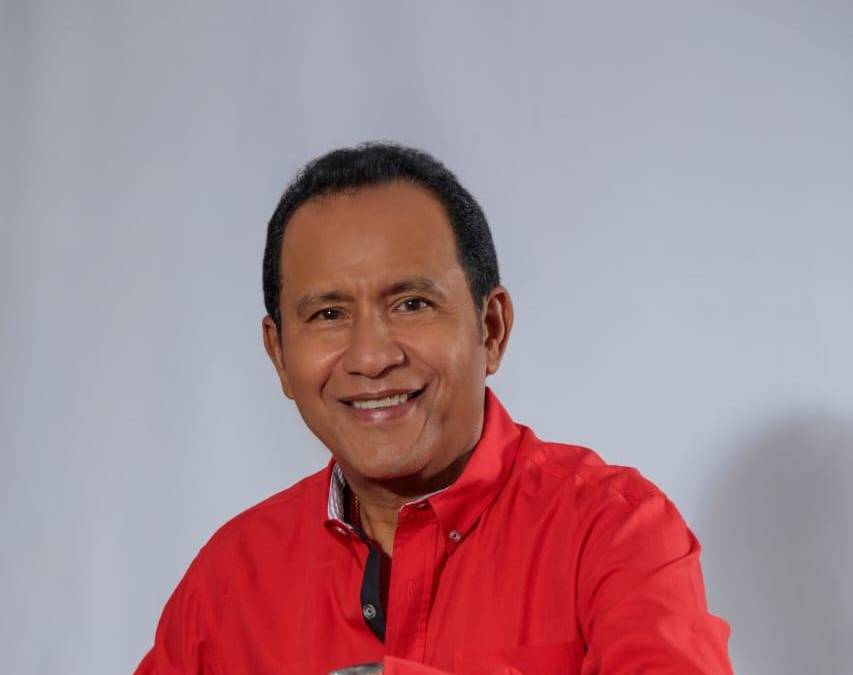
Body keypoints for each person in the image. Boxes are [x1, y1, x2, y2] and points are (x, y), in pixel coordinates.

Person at [135, 142, 733, 674]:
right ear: (279, 355)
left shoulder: (614, 532)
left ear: (491, 328)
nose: (371, 357)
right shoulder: (229, 579)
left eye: (412, 304)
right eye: (328, 314)